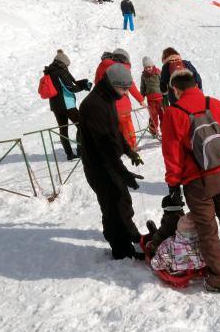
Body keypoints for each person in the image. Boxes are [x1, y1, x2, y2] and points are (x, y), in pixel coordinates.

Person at [161, 68, 220, 293]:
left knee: (207, 230)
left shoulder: (173, 113)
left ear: (176, 90)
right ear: (196, 85)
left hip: (198, 182)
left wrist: (173, 182)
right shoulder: (218, 105)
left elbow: (172, 152)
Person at [79, 63, 145, 260]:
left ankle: (132, 236)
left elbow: (115, 132)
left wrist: (129, 151)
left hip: (109, 163)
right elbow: (105, 147)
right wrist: (123, 173)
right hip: (99, 167)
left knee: (122, 201)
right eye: (124, 89)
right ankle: (120, 249)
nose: (126, 94)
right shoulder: (93, 106)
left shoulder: (106, 99)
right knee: (112, 206)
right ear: (112, 84)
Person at [44, 50, 92, 160]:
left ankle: (69, 154)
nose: (67, 67)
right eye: (67, 65)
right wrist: (84, 87)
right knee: (82, 125)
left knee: (63, 130)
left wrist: (81, 82)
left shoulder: (50, 71)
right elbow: (70, 88)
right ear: (62, 63)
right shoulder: (60, 72)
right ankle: (81, 150)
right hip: (67, 105)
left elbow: (69, 83)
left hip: (56, 106)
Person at [94, 48, 145, 150]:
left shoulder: (102, 65)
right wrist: (140, 99)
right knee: (127, 125)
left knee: (114, 127)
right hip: (121, 103)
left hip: (107, 104)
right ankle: (131, 146)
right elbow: (130, 84)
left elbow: (96, 82)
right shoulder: (121, 68)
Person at [140, 56, 164, 140]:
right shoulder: (143, 76)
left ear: (152, 65)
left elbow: (163, 83)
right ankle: (154, 132)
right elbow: (142, 87)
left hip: (160, 99)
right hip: (150, 100)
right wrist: (141, 97)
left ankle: (165, 132)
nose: (148, 69)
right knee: (153, 117)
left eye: (149, 67)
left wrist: (165, 92)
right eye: (146, 67)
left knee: (162, 116)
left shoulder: (158, 72)